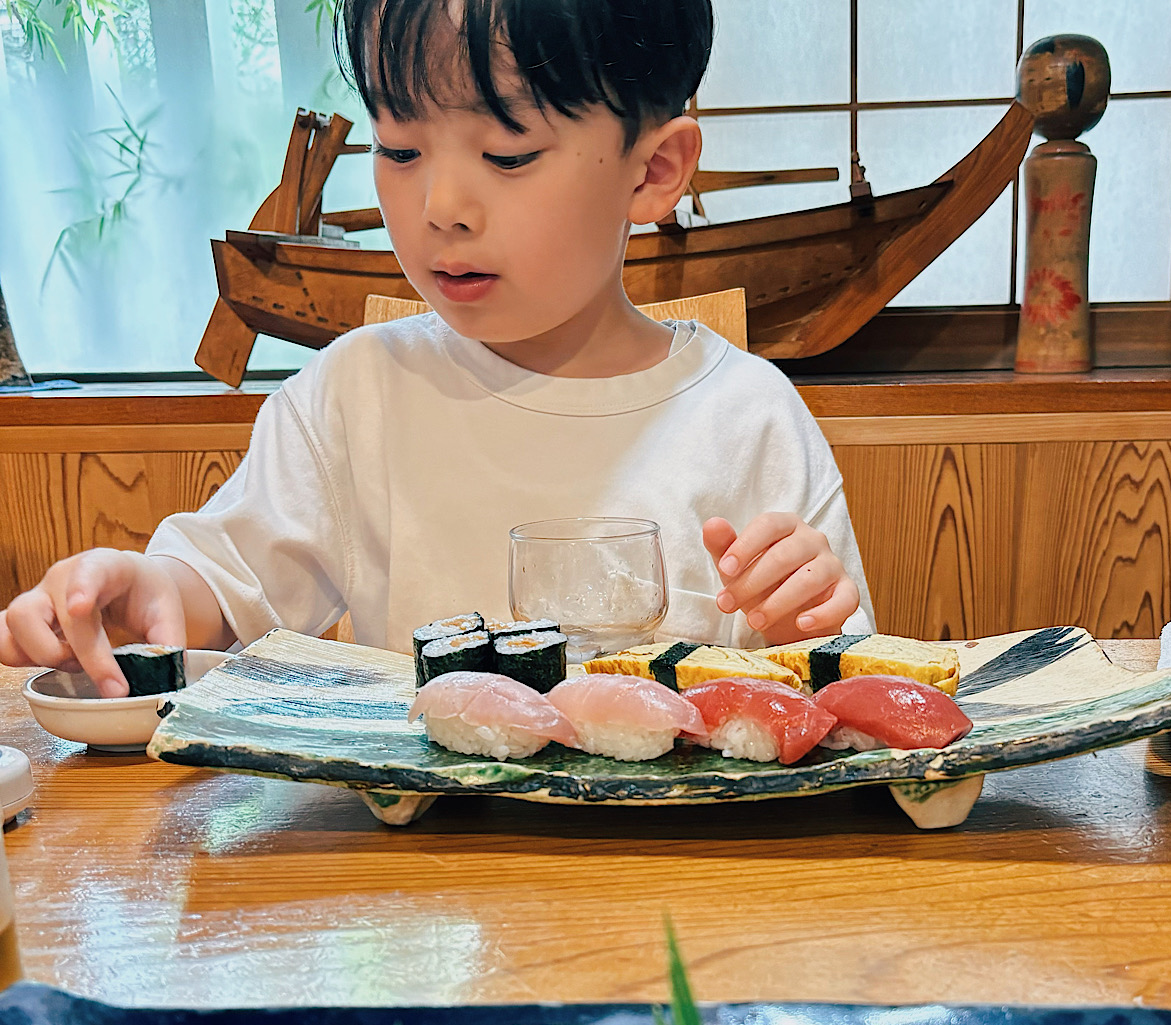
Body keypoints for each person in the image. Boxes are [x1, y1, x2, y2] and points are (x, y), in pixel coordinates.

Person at [0, 0, 873, 697]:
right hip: (423, 886)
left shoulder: (746, 416)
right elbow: (226, 591)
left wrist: (807, 633)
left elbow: (847, 679)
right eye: (399, 147)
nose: (441, 205)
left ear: (652, 172)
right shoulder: (358, 392)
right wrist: (145, 595)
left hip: (667, 875)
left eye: (507, 152)